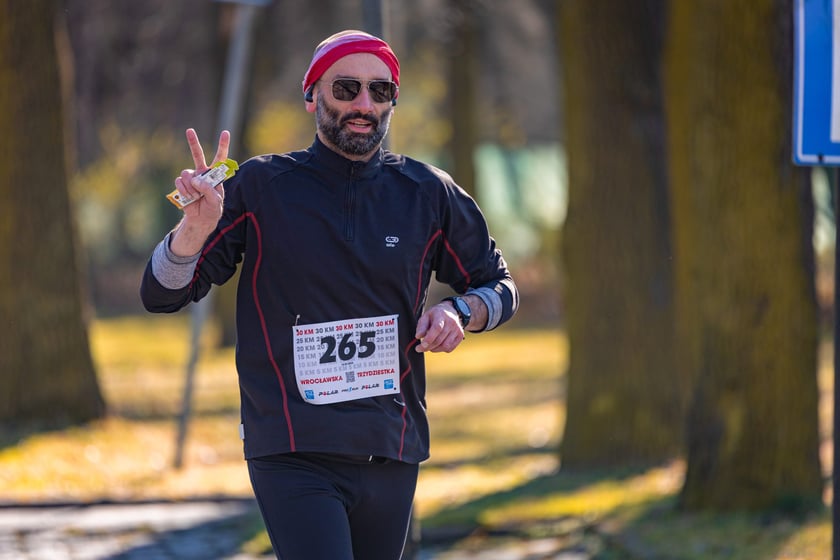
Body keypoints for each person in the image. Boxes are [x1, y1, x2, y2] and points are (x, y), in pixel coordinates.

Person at [140, 29, 518, 560]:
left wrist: (462, 311)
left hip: (391, 445)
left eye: (380, 91)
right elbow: (162, 294)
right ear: (313, 94)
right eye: (346, 88)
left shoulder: (428, 193)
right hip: (292, 447)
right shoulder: (260, 186)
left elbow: (500, 286)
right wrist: (193, 231)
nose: (364, 104)